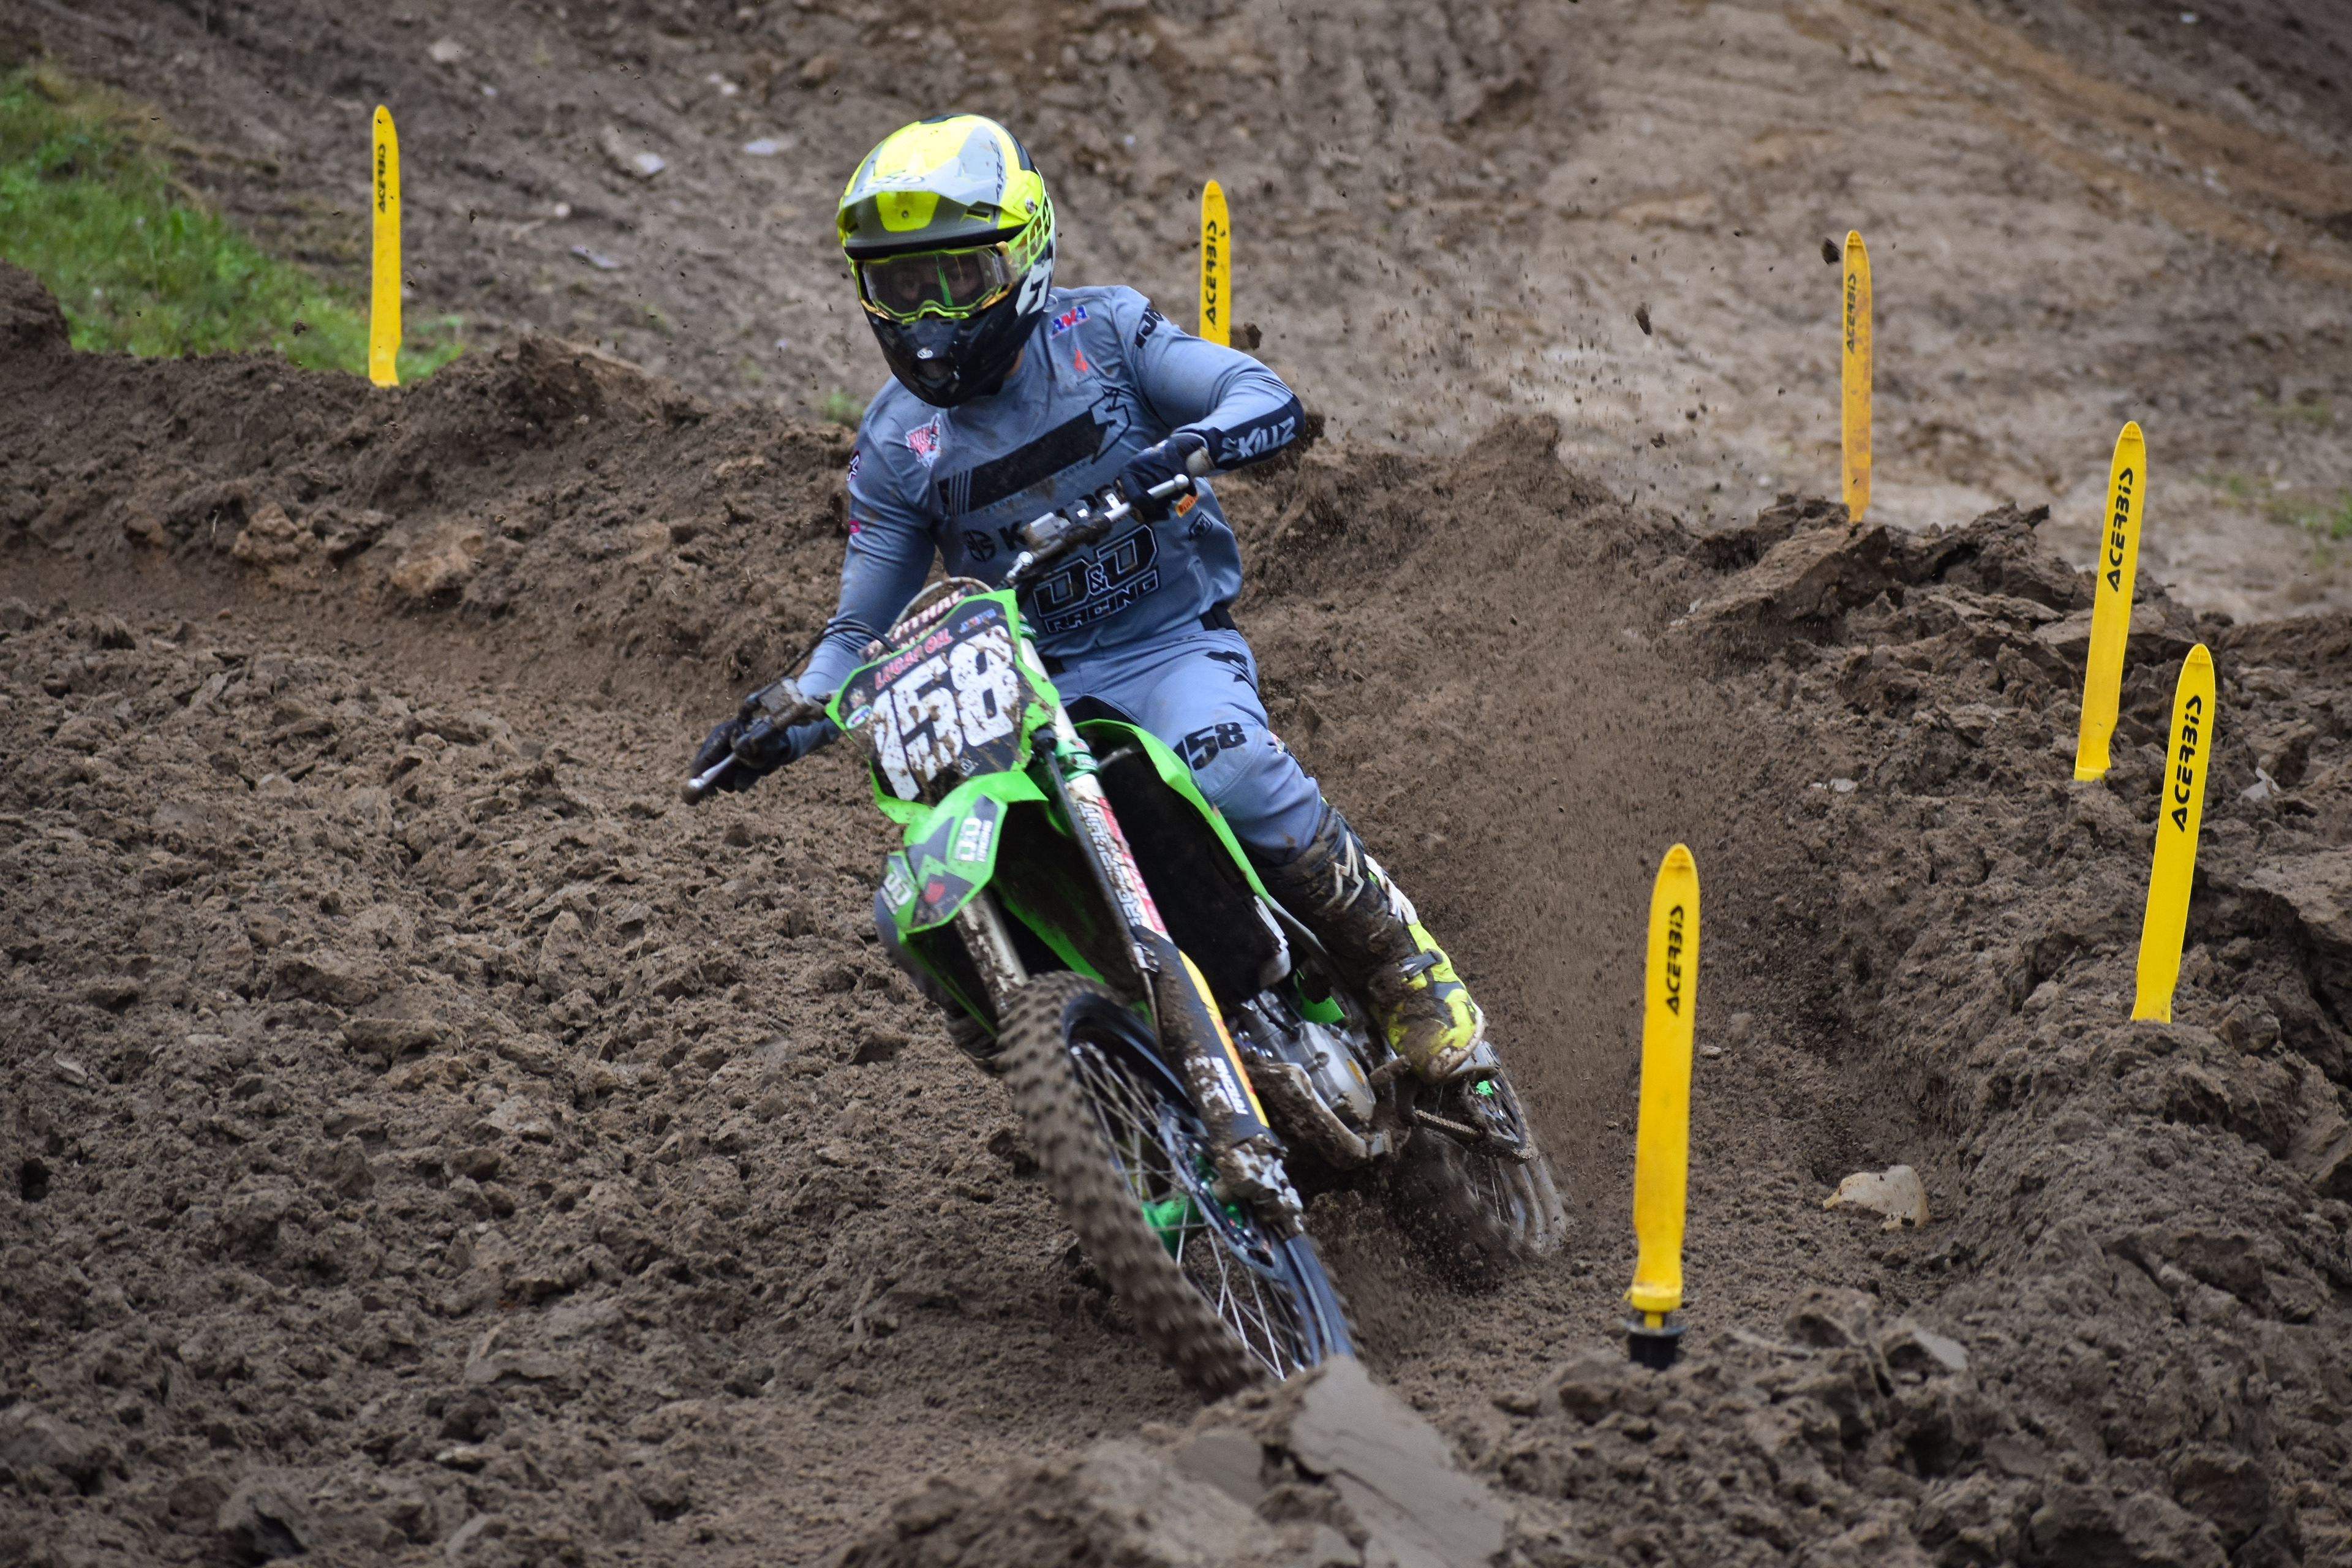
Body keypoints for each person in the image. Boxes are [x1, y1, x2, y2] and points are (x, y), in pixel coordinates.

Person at [693, 114, 1482, 1082]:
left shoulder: (1105, 333)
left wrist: (1182, 452)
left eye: (957, 278)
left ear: (1024, 258)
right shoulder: (897, 444)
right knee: (926, 897)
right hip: (1020, 699)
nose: (930, 315)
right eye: (901, 288)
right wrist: (789, 711)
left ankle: (1404, 968)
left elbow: (1260, 395)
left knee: (1229, 766)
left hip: (1167, 649)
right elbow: (861, 627)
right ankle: (1090, 1089)